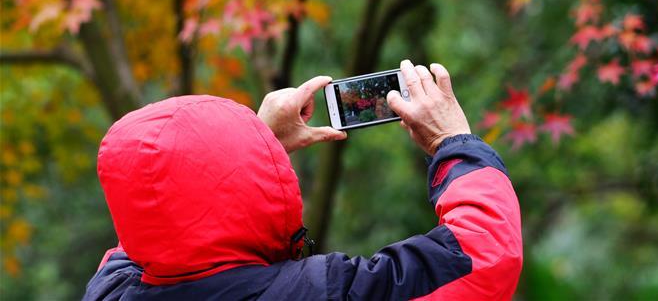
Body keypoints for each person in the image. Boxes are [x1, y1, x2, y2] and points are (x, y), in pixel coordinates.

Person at [82, 60, 523, 300]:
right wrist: (452, 140)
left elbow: (158, 209)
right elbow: (482, 255)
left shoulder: (110, 286)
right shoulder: (320, 292)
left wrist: (249, 145)